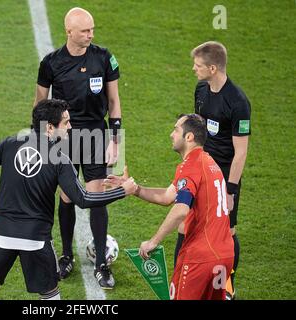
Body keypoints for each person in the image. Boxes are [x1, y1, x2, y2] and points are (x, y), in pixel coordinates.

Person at [0, 99, 136, 300]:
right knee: (49, 295)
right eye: (66, 123)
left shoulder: (10, 144)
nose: (70, 127)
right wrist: (122, 191)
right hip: (35, 240)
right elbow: (82, 199)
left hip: (1, 234)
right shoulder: (60, 158)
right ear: (49, 127)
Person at [34, 7, 122, 289]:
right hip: (64, 136)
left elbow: (114, 101)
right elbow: (40, 104)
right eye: (85, 31)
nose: (90, 34)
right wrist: (41, 140)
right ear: (69, 32)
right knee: (67, 197)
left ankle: (101, 265)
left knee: (97, 195)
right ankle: (66, 255)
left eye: (92, 29)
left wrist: (116, 139)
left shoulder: (104, 57)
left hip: (97, 133)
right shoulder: (50, 62)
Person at [105, 114, 234, 300]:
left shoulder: (190, 166)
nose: (171, 134)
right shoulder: (209, 163)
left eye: (176, 130)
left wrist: (153, 241)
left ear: (189, 137)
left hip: (200, 257)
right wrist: (135, 189)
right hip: (224, 255)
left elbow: (181, 209)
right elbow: (168, 196)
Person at [174, 41, 250, 299]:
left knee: (227, 231)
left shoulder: (238, 103)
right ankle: (179, 278)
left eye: (198, 66)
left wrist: (230, 190)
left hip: (224, 176)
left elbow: (240, 152)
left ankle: (227, 286)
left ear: (213, 68)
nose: (194, 69)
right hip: (200, 169)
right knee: (186, 223)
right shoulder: (201, 89)